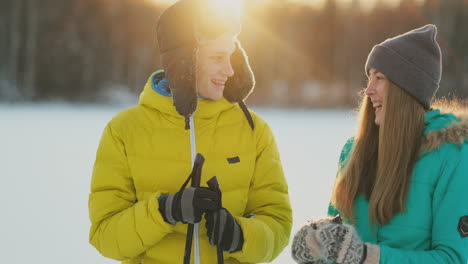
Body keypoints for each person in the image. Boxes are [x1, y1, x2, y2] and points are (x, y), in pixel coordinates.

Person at [88, 0, 292, 263]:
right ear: (183, 61)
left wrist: (241, 236)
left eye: (232, 56)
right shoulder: (124, 130)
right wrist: (163, 211)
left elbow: (278, 224)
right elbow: (106, 237)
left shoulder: (254, 131)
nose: (229, 70)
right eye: (217, 57)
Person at [291, 24, 468, 264]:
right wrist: (318, 245)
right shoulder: (353, 152)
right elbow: (340, 241)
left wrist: (370, 257)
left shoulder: (451, 155)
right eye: (369, 77)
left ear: (407, 89)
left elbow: (454, 258)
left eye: (379, 78)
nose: (368, 90)